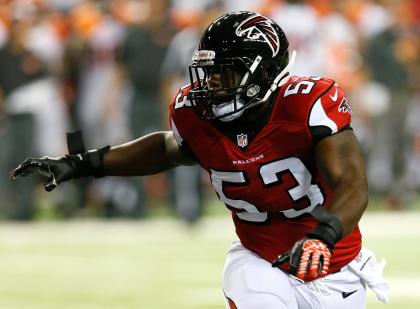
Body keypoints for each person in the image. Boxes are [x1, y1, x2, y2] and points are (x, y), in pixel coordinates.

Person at [10, 11, 388, 309]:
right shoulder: (194, 113)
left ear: (265, 72)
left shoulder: (306, 104)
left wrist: (322, 238)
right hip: (259, 260)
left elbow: (352, 184)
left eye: (227, 74)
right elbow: (169, 149)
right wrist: (83, 163)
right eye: (210, 74)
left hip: (336, 265)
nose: (212, 86)